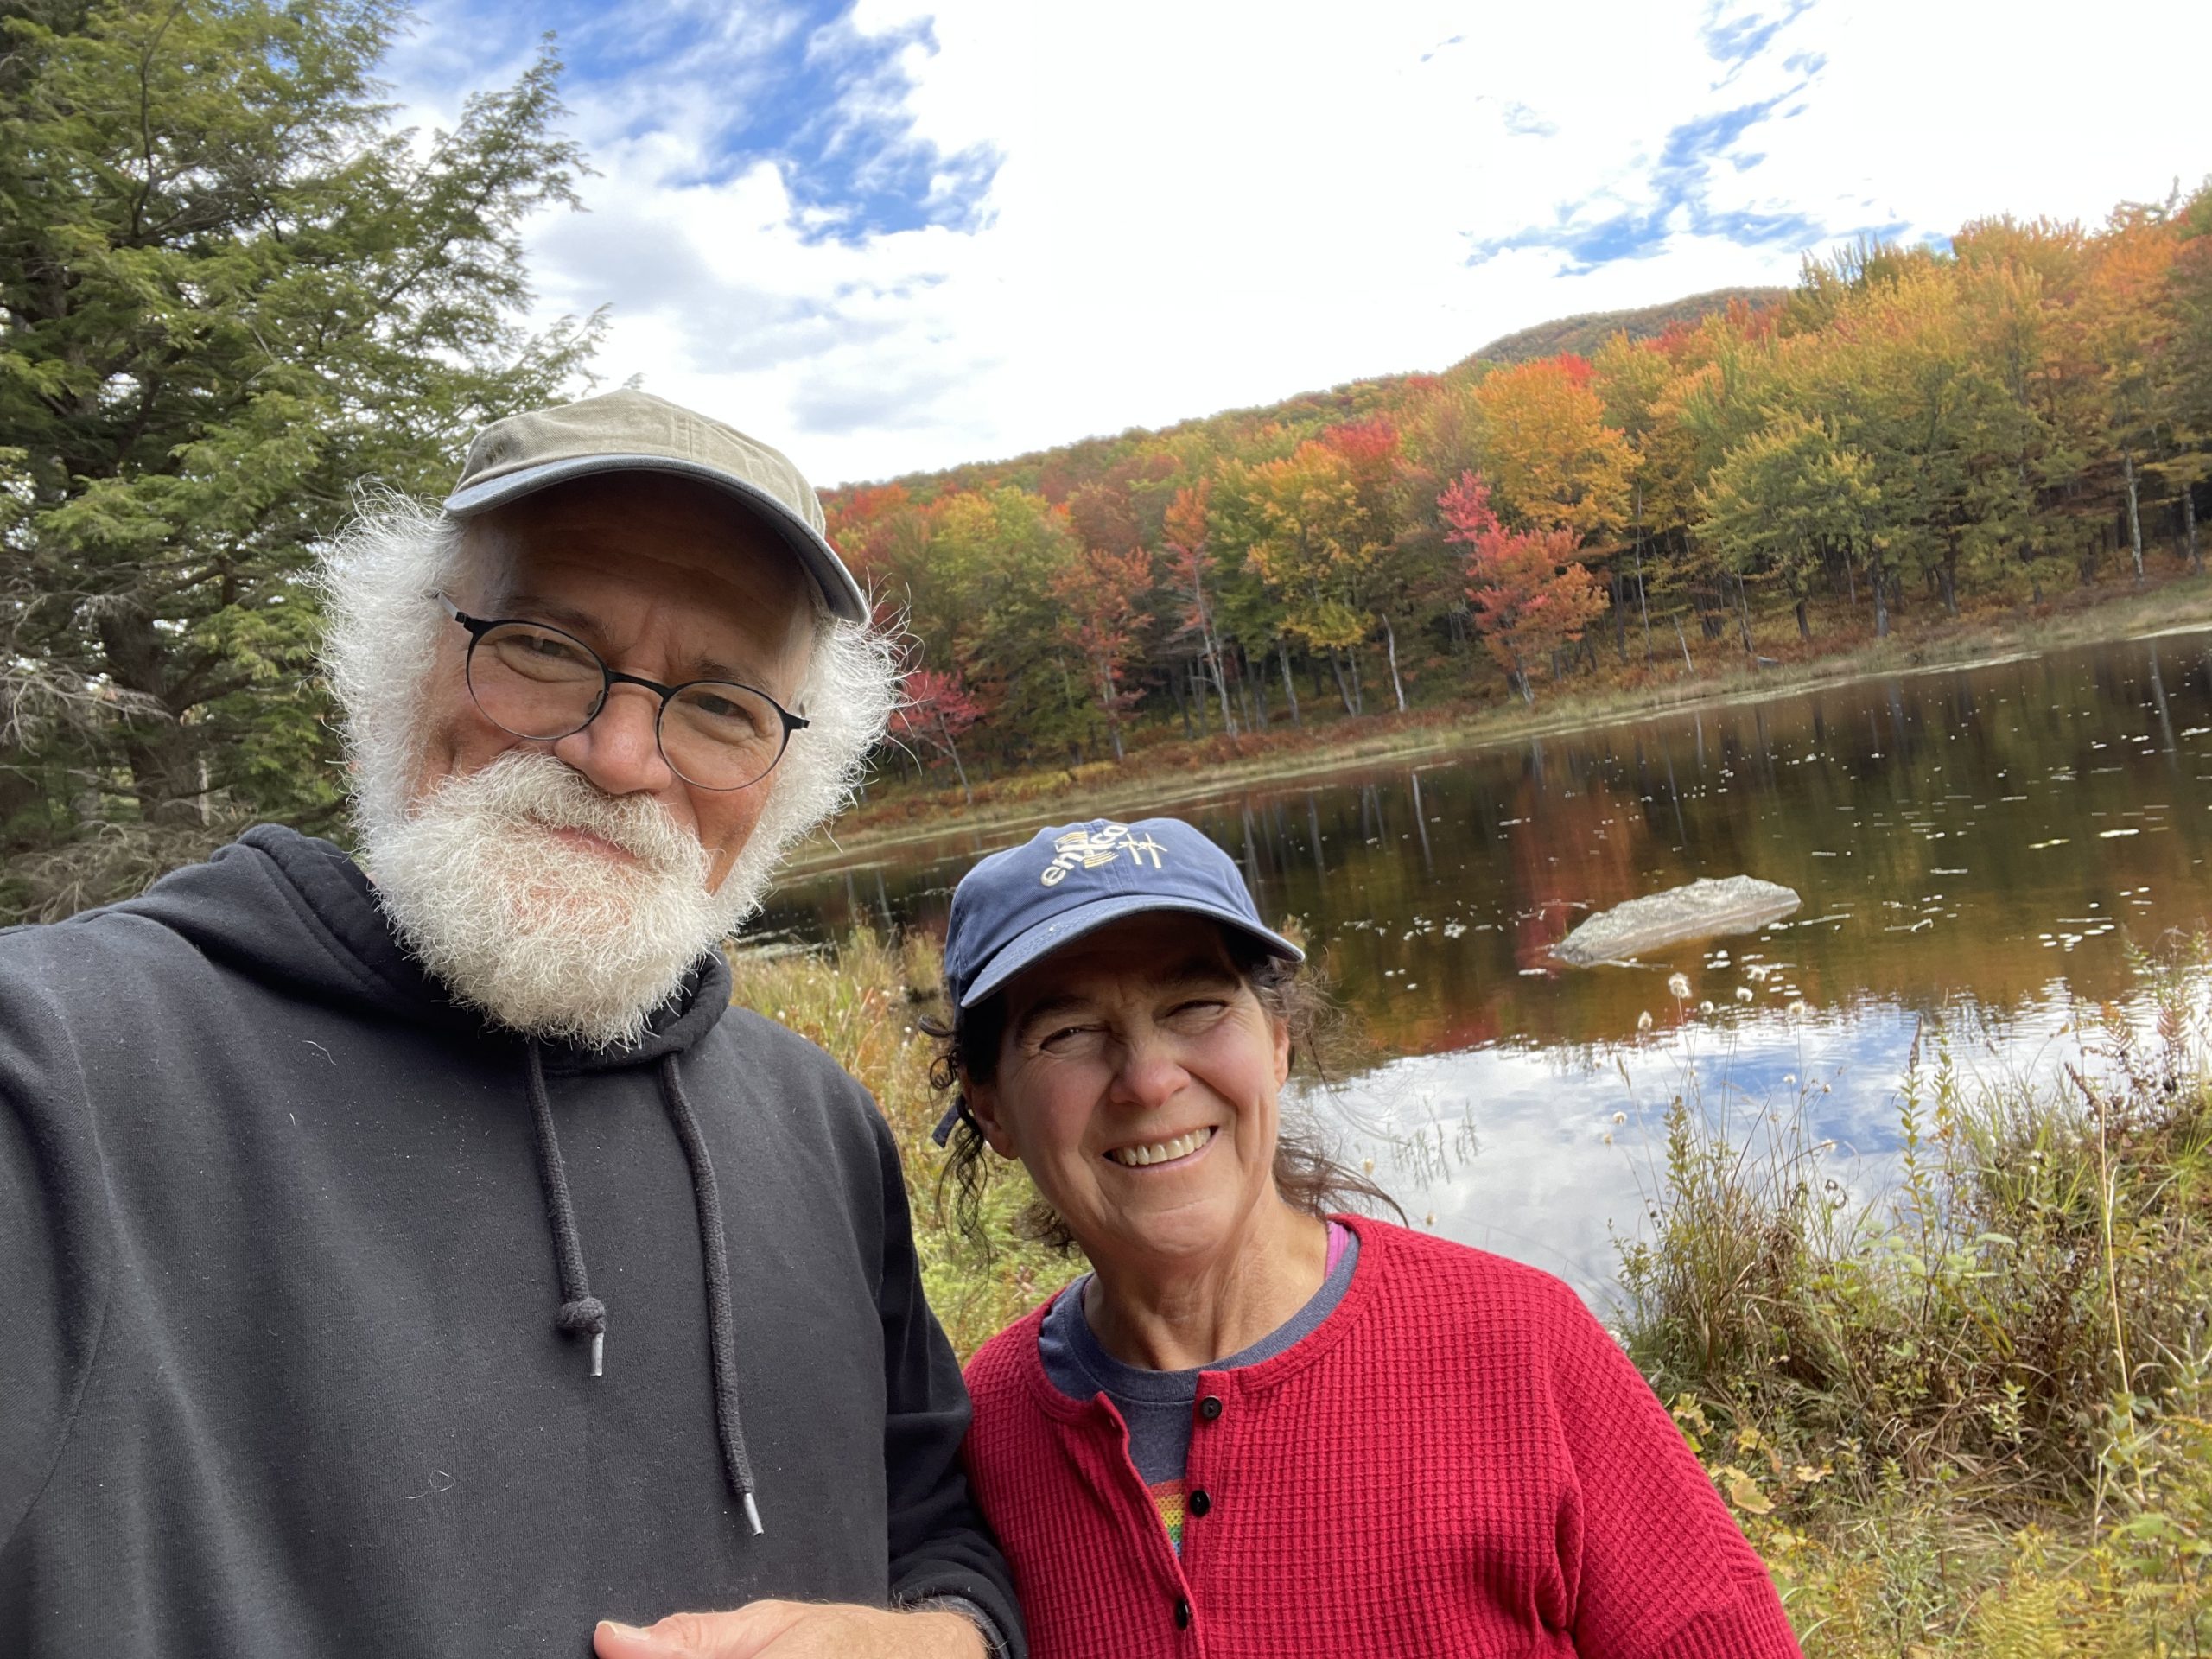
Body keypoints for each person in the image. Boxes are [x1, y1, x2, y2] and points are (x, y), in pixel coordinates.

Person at [0, 391, 1020, 1659]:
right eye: (542, 645)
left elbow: (938, 1532)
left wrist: (938, 1641)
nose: (622, 753)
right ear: (401, 663)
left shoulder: (820, 1124)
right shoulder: (57, 1072)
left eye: (721, 705)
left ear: (783, 778)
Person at [931, 816, 1802, 1658]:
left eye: (1195, 1006)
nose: (1150, 1079)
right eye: (1070, 1033)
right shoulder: (983, 1436)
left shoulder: (1520, 1348)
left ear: (1278, 1042)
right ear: (989, 1104)